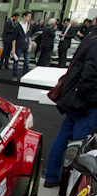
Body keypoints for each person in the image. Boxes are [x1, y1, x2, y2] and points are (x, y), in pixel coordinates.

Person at [44, 29, 97, 187]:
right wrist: (93, 102)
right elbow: (90, 76)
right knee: (78, 146)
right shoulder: (95, 42)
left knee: (64, 140)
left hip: (76, 100)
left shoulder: (91, 37)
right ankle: (71, 185)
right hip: (85, 104)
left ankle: (53, 177)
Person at [11, 10, 32, 81]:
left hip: (26, 45)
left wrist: (30, 44)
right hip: (19, 45)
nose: (30, 18)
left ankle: (25, 75)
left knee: (27, 61)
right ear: (24, 16)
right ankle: (14, 75)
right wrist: (13, 48)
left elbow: (29, 36)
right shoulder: (17, 26)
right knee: (16, 61)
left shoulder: (29, 25)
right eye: (28, 16)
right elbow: (14, 38)